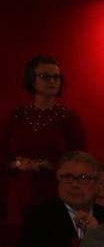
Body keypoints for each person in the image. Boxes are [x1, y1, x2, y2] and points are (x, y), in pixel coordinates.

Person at [4, 55, 85, 213]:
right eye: (45, 76)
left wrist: (46, 164)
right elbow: (3, 155)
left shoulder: (68, 117)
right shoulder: (17, 116)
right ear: (31, 80)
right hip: (19, 190)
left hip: (56, 189)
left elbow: (80, 159)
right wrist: (18, 164)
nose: (52, 81)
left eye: (56, 77)